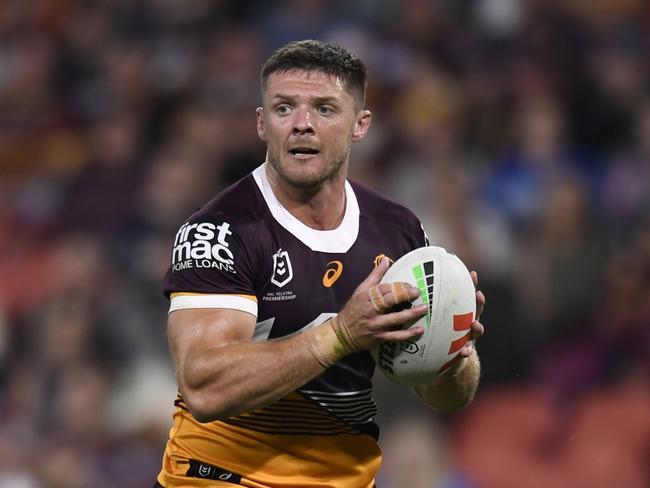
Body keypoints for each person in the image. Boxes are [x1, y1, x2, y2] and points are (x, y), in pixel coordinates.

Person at [155, 40, 485, 488]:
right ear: (261, 122)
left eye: (325, 109)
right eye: (284, 107)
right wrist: (342, 334)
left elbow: (446, 398)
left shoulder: (398, 231)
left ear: (360, 125)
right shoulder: (220, 230)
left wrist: (453, 352)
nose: (302, 125)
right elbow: (204, 387)